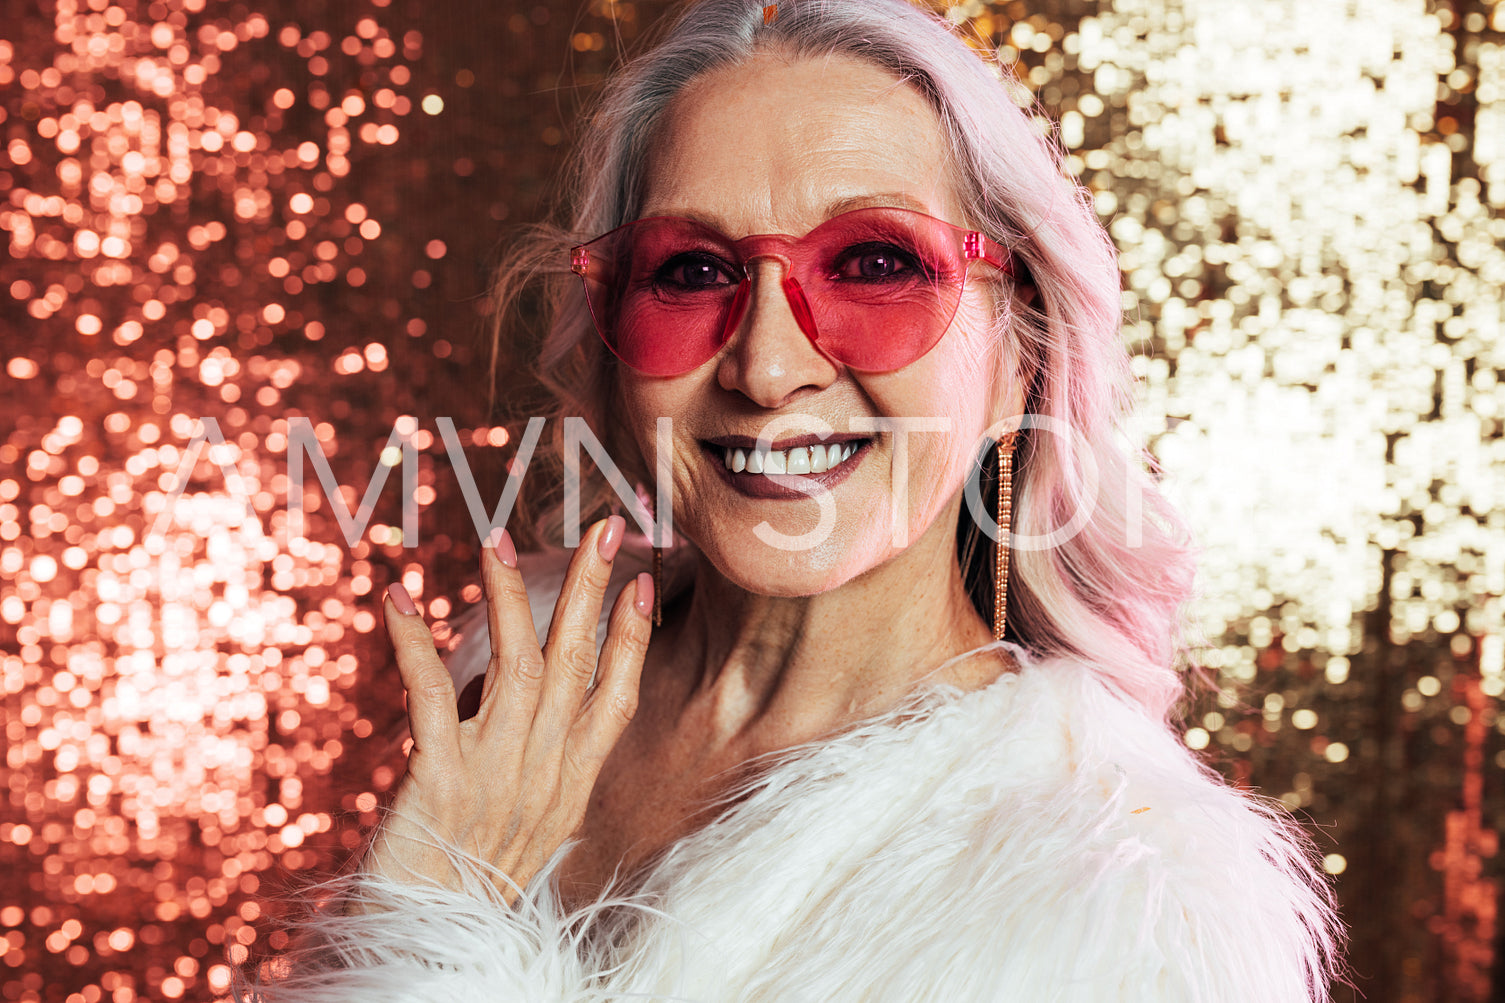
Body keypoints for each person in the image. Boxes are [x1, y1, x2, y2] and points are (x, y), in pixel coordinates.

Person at [242, 0, 1348, 999]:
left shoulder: (1122, 896)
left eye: (872, 264)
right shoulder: (523, 682)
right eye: (690, 271)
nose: (766, 367)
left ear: (1023, 350)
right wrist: (413, 916)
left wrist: (436, 939)